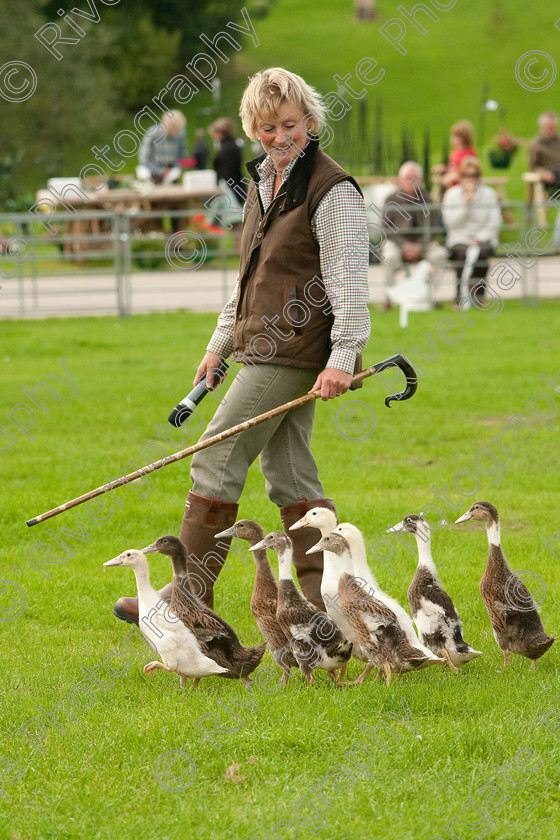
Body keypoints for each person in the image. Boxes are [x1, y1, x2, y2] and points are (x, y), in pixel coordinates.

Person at [113, 67, 370, 624]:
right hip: (257, 345)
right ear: (253, 131)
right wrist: (218, 346)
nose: (280, 138)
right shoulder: (263, 181)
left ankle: (187, 605)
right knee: (292, 476)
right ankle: (331, 610)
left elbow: (350, 284)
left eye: (290, 125)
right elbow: (249, 282)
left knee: (214, 457)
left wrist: (343, 359)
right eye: (267, 129)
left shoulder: (332, 190)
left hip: (293, 352)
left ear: (310, 120)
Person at [381, 161, 447, 308]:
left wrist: (419, 246)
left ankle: (428, 296)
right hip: (398, 243)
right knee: (389, 257)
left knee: (440, 255)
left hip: (423, 244)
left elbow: (433, 228)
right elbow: (386, 229)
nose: (410, 181)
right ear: (400, 180)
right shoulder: (391, 199)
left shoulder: (428, 200)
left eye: (414, 178)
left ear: (421, 180)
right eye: (407, 178)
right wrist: (404, 245)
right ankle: (389, 299)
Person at [442, 157, 501, 302]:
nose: (470, 179)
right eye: (466, 175)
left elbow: (495, 221)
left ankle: (478, 296)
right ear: (460, 176)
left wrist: (480, 238)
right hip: (459, 237)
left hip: (482, 237)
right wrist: (465, 205)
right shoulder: (452, 195)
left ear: (479, 176)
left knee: (483, 253)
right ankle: (459, 295)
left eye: (474, 175)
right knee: (461, 255)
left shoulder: (489, 194)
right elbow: (450, 222)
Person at [137, 110, 187, 183]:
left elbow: (181, 156)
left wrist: (175, 168)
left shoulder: (181, 133)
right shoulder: (153, 133)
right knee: (142, 172)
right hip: (153, 170)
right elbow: (143, 159)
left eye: (176, 131)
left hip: (171, 171)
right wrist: (160, 171)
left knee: (174, 175)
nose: (174, 134)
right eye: (172, 130)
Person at [433, 120, 477, 190]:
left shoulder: (469, 154)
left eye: (456, 137)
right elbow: (454, 167)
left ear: (463, 139)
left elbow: (469, 172)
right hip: (452, 187)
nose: (452, 139)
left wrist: (453, 176)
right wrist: (445, 169)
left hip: (462, 188)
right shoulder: (455, 151)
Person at [208, 117, 245, 197]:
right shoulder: (232, 145)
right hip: (238, 186)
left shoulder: (226, 149)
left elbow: (227, 171)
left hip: (232, 188)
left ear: (220, 134)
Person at [528, 111, 560, 187]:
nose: (551, 130)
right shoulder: (536, 145)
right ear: (542, 127)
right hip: (551, 174)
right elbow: (533, 166)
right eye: (549, 127)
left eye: (553, 127)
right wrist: (544, 173)